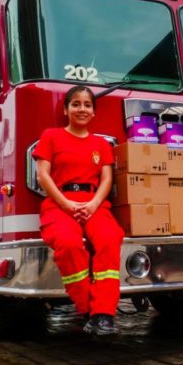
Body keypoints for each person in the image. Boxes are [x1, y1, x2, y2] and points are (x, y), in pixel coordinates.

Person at [32, 85, 124, 336]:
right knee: (68, 243)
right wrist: (66, 204)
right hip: (59, 204)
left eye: (87, 105)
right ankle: (88, 310)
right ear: (66, 109)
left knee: (109, 239)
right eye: (76, 104)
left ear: (94, 112)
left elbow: (106, 180)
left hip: (94, 204)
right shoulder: (50, 136)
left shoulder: (102, 145)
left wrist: (93, 204)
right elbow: (43, 176)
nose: (82, 109)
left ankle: (104, 315)